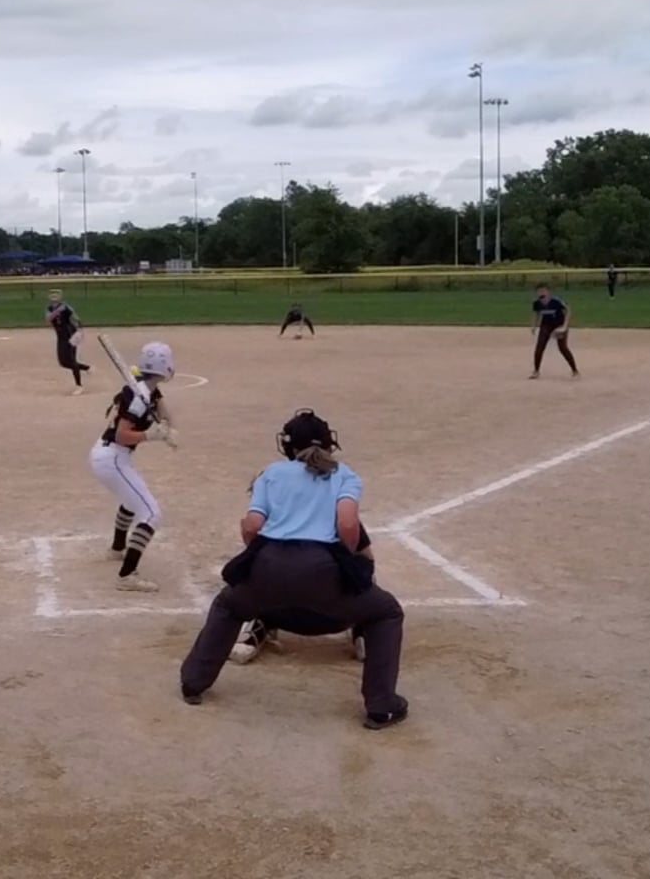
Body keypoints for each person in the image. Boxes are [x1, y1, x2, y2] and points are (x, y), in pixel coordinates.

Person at [178, 409, 408, 729]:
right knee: (386, 611)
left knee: (229, 605)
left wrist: (260, 562)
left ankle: (193, 683)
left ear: (287, 445)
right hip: (321, 571)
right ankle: (381, 705)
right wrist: (349, 565)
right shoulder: (343, 474)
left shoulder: (271, 473)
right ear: (329, 444)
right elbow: (348, 524)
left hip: (268, 564)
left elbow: (252, 526)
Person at [87, 342, 177, 593]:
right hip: (112, 457)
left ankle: (117, 549)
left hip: (111, 456)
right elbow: (121, 435)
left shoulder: (147, 390)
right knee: (151, 513)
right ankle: (127, 576)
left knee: (131, 500)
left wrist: (168, 429)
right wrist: (151, 435)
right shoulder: (139, 397)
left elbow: (164, 413)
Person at [530, 283, 579, 380]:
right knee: (539, 347)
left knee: (563, 348)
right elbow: (537, 313)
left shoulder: (556, 301)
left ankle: (575, 370)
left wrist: (565, 326)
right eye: (539, 291)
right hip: (546, 325)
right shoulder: (537, 303)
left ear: (548, 292)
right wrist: (534, 325)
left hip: (559, 325)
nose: (541, 293)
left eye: (543, 291)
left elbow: (568, 310)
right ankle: (536, 371)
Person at [46, 289, 91, 395]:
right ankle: (86, 368)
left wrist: (80, 330)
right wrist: (57, 311)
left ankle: (79, 386)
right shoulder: (49, 309)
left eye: (56, 295)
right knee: (63, 362)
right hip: (61, 337)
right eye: (52, 295)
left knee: (71, 360)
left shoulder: (66, 307)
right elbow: (48, 319)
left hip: (70, 335)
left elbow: (76, 318)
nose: (54, 297)